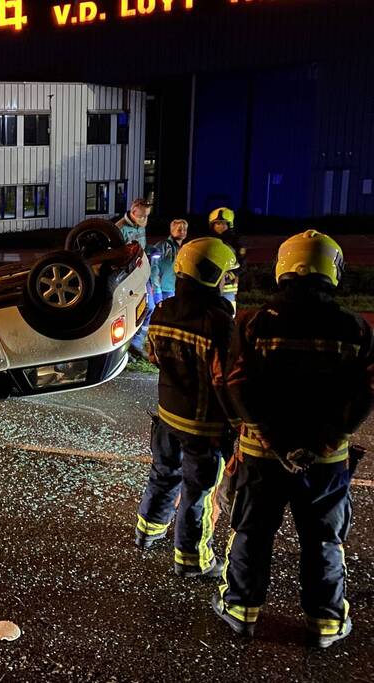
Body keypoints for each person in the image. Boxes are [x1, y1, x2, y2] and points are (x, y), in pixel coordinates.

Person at [214, 231, 374, 648]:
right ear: (332, 269)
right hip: (326, 463)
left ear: (283, 266)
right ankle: (325, 623)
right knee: (324, 539)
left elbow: (235, 384)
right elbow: (365, 393)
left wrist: (273, 440)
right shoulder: (355, 329)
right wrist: (326, 440)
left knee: (251, 532)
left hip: (262, 456)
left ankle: (241, 610)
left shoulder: (252, 322)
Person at [134, 237, 239, 580]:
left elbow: (152, 354)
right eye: (225, 275)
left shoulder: (164, 310)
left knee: (163, 476)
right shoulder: (218, 322)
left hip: (166, 417)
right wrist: (237, 425)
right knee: (197, 493)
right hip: (202, 427)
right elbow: (227, 380)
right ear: (211, 275)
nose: (228, 281)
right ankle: (192, 560)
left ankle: (148, 532)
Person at [116, 199, 153, 357]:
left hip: (142, 272)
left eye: (147, 216)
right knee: (129, 311)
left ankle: (136, 343)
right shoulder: (120, 228)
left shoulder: (140, 225)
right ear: (133, 212)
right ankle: (125, 348)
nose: (145, 219)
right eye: (142, 216)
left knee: (149, 307)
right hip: (128, 276)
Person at [208, 207, 246, 311]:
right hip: (211, 286)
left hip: (229, 286)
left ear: (229, 225)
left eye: (224, 223)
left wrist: (232, 274)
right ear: (213, 225)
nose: (220, 226)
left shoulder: (235, 243)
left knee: (229, 313)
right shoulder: (208, 242)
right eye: (218, 223)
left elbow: (242, 263)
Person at [150, 219, 189, 305]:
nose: (182, 232)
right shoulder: (162, 246)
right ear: (172, 231)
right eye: (179, 229)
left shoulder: (183, 249)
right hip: (163, 291)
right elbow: (154, 269)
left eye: (184, 230)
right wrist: (157, 291)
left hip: (174, 290)